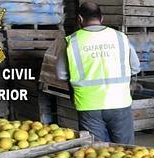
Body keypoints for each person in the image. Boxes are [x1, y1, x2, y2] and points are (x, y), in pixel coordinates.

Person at [56, 2, 141, 144]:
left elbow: (61, 74)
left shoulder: (71, 42)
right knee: (126, 150)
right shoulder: (120, 37)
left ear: (80, 19)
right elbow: (135, 67)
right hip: (119, 102)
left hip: (88, 105)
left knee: (96, 154)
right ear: (102, 18)